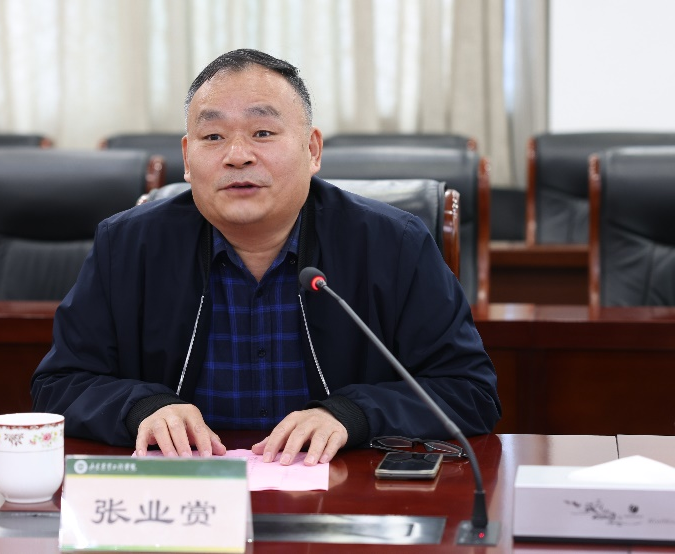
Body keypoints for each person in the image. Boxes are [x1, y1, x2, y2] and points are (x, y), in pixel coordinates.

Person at [31, 48, 501, 467]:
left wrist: (353, 415)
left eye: (262, 132)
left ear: (312, 149)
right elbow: (59, 384)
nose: (237, 156)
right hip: (184, 495)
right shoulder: (127, 246)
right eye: (213, 137)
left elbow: (469, 391)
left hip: (342, 493)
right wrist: (141, 408)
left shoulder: (393, 244)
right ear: (188, 159)